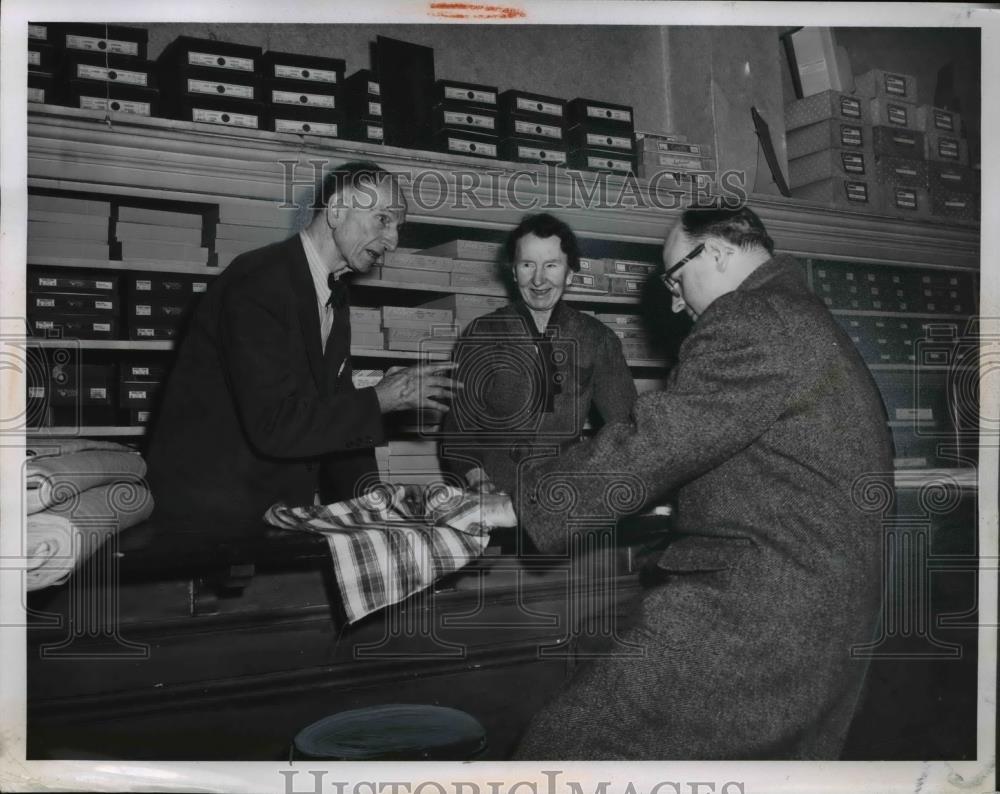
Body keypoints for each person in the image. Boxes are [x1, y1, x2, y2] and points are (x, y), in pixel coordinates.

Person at [484, 204, 894, 759]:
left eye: (676, 278)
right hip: (814, 604)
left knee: (563, 752)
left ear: (719, 253)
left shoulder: (750, 318)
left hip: (762, 608)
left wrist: (523, 501)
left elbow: (656, 438)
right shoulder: (800, 314)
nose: (674, 301)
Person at [146, 161, 456, 534]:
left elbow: (334, 419)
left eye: (397, 228)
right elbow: (275, 425)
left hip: (266, 514)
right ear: (338, 210)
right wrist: (381, 398)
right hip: (205, 521)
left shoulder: (331, 294)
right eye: (383, 220)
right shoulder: (259, 281)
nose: (393, 241)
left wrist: (373, 506)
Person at [440, 212, 637, 496]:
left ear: (569, 273)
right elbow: (459, 429)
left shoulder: (598, 339)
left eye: (552, 265)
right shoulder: (482, 334)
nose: (538, 279)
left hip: (564, 493)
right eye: (527, 265)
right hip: (495, 494)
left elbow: (625, 428)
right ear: (513, 270)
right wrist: (480, 483)